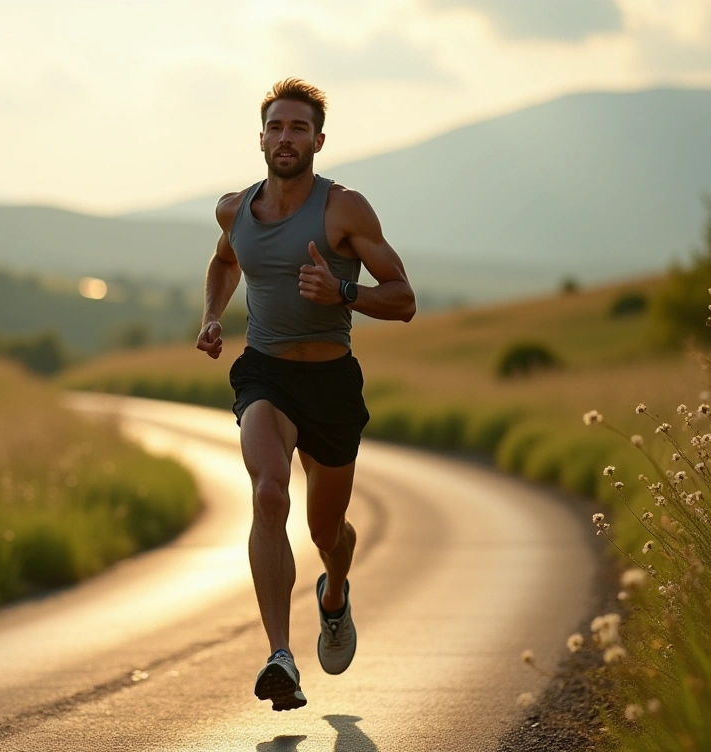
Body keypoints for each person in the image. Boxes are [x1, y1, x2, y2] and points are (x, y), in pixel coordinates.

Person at [196, 77, 416, 711]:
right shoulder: (235, 209)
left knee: (327, 531)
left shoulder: (344, 209)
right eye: (275, 127)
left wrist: (344, 294)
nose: (285, 138)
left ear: (318, 140)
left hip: (331, 383)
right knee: (269, 493)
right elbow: (224, 261)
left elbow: (403, 298)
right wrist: (212, 316)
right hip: (264, 372)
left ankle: (336, 591)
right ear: (261, 137)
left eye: (298, 129)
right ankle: (281, 657)